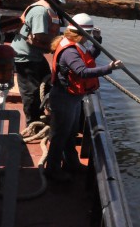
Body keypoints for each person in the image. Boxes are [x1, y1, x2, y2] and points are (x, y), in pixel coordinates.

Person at [45, 13, 123, 182]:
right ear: (81, 35)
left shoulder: (76, 46)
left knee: (71, 132)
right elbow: (82, 71)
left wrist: (98, 40)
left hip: (72, 98)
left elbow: (88, 59)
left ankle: (71, 163)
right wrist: (109, 68)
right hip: (64, 98)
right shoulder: (70, 52)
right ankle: (52, 170)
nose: (89, 39)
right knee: (60, 135)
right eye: (88, 35)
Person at [11, 0, 67, 127]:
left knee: (48, 82)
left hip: (36, 54)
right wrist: (61, 42)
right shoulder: (40, 11)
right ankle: (33, 124)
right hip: (25, 56)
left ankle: (44, 114)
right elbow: (40, 36)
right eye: (57, 1)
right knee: (31, 92)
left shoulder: (49, 10)